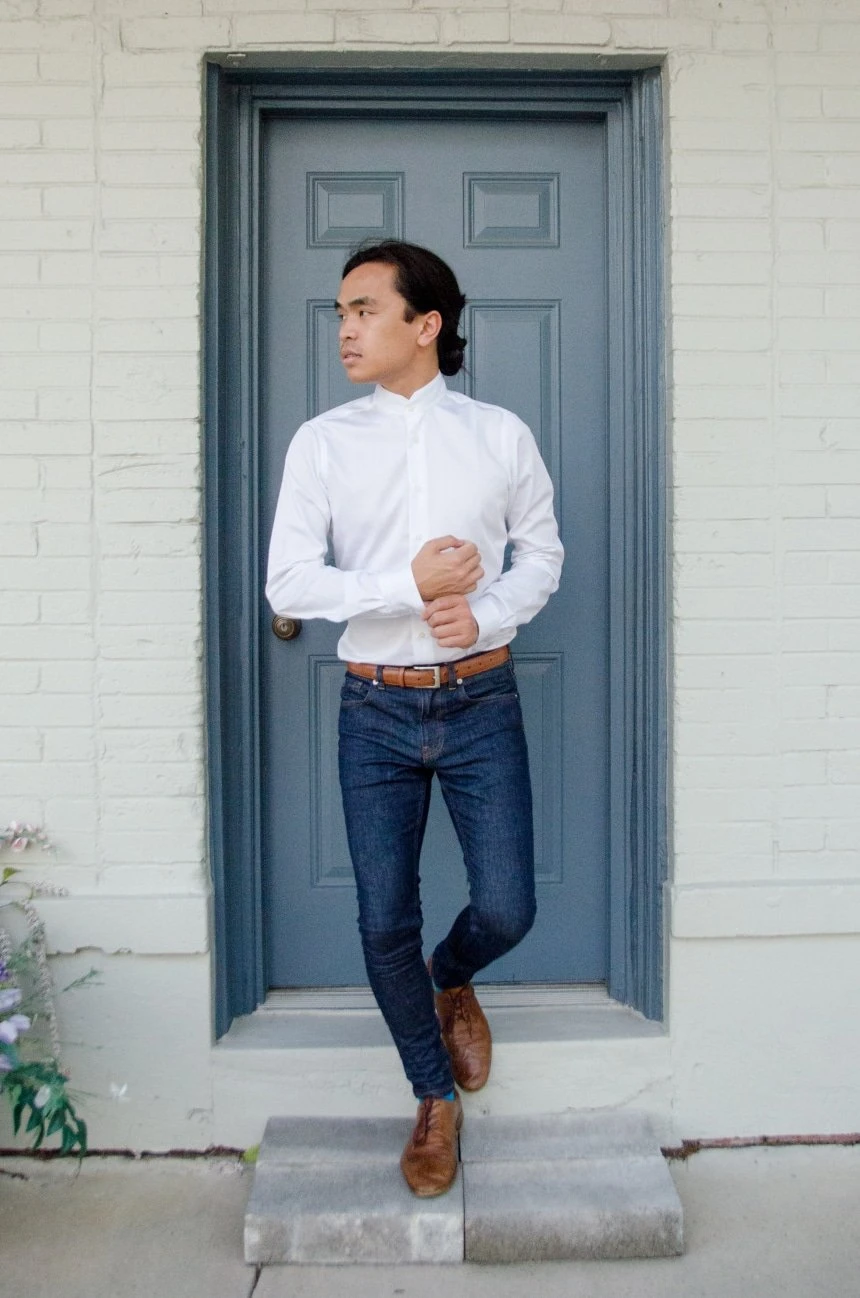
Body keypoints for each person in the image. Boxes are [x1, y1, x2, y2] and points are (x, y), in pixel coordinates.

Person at [266, 240, 563, 1198]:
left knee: (509, 904)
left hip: (482, 698)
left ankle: (454, 975)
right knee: (381, 918)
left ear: (424, 324)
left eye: (364, 310)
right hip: (375, 709)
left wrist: (487, 612)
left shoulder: (500, 435)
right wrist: (410, 584)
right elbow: (289, 581)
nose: (346, 328)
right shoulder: (321, 441)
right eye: (341, 312)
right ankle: (433, 1098)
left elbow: (542, 555)